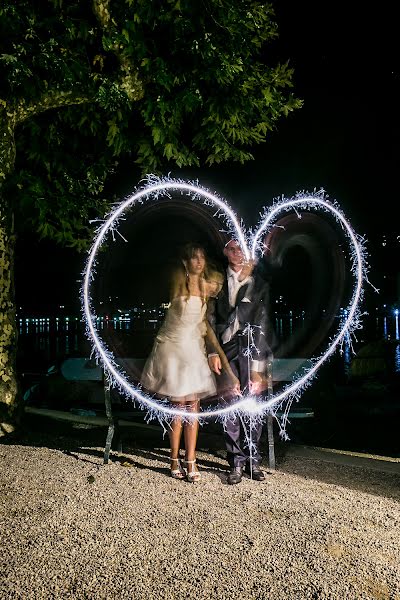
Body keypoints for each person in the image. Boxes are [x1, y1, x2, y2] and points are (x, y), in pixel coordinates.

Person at [140, 243, 239, 483]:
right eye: (193, 257)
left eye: (201, 257)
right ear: (185, 262)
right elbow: (176, 286)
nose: (199, 261)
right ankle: (174, 459)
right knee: (178, 409)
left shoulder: (206, 293)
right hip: (173, 350)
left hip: (193, 351)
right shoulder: (177, 283)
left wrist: (227, 370)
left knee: (193, 409)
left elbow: (209, 332)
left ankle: (191, 459)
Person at [207, 239, 274, 485]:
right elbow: (209, 319)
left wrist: (258, 368)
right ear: (225, 251)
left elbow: (264, 324)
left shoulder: (260, 285)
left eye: (242, 249)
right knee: (230, 404)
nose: (238, 254)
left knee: (253, 404)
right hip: (225, 351)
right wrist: (212, 353)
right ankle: (236, 461)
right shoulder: (217, 281)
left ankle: (253, 460)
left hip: (252, 350)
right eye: (233, 248)